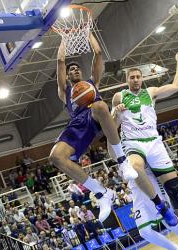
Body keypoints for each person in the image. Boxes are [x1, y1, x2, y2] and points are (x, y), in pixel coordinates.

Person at [112, 52, 178, 249]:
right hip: (133, 142)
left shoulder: (151, 92)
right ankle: (160, 206)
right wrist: (117, 113)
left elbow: (177, 86)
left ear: (142, 78)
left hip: (154, 143)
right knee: (136, 167)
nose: (136, 79)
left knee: (176, 193)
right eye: (132, 77)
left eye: (138, 76)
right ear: (127, 80)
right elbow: (111, 128)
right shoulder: (119, 97)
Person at [49, 33, 138, 222]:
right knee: (56, 157)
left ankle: (122, 162)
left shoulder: (92, 83)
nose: (74, 70)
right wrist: (64, 39)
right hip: (77, 125)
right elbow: (59, 61)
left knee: (99, 105)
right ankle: (102, 193)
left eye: (77, 68)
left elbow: (98, 53)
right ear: (67, 75)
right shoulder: (64, 91)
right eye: (71, 69)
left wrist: (88, 32)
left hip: (97, 116)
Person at [129, 165, 178, 250]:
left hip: (149, 179)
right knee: (144, 231)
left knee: (169, 220)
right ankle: (177, 249)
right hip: (135, 190)